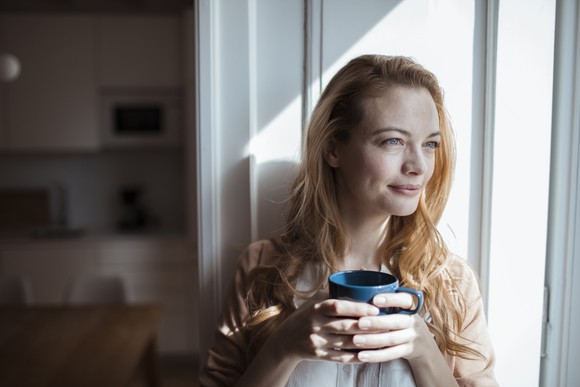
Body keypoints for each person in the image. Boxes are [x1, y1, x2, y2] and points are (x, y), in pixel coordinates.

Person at [200, 54, 498, 386]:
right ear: (332, 148)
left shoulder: (453, 283)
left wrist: (423, 351)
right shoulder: (262, 268)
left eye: (429, 144)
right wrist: (283, 348)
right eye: (393, 141)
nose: (419, 166)